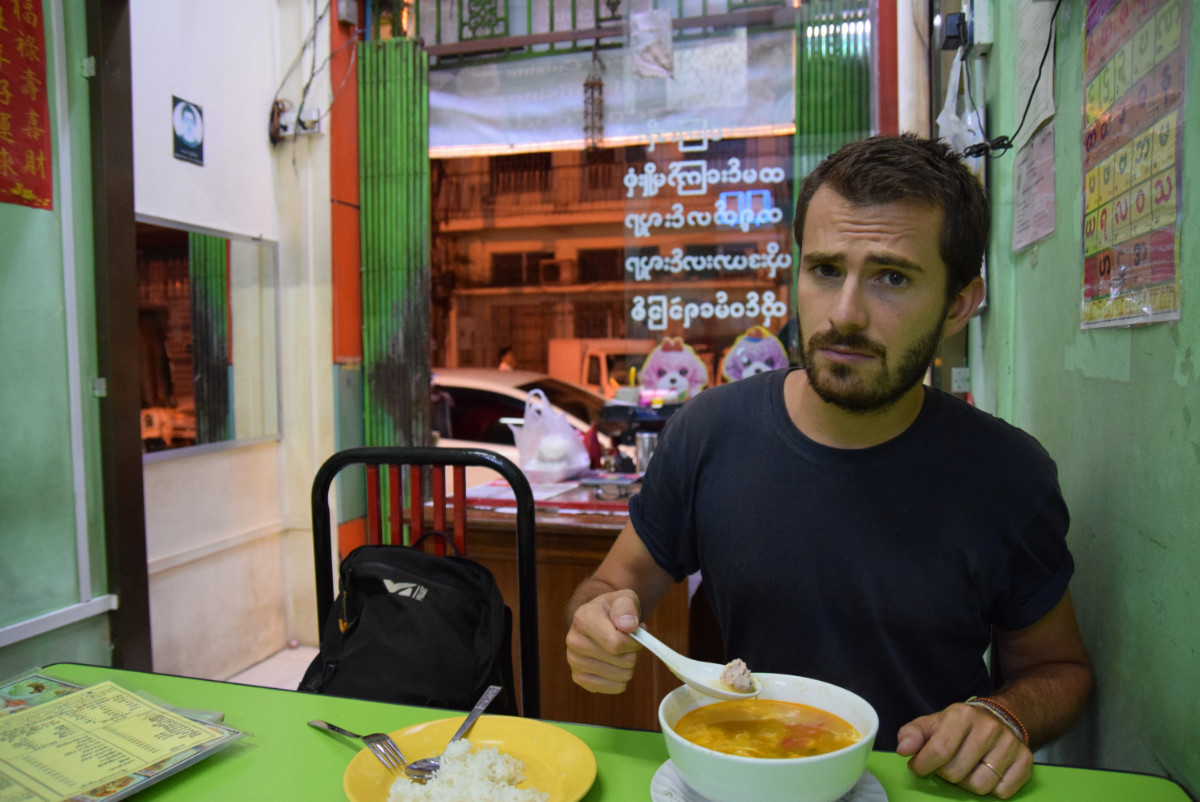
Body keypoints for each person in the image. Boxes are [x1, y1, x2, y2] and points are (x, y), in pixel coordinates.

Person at [565, 134, 1093, 800]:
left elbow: (1060, 669)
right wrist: (594, 623)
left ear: (960, 302)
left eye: (892, 277)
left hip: (921, 785)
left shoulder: (1008, 473)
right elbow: (613, 586)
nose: (845, 315)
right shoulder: (708, 432)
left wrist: (1004, 715)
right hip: (741, 781)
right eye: (824, 270)